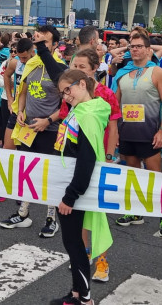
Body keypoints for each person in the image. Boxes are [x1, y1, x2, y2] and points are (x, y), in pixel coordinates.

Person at [50, 69, 113, 305]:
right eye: (62, 93)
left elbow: (87, 159)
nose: (65, 96)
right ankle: (76, 293)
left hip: (73, 189)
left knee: (75, 244)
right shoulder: (81, 110)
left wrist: (70, 196)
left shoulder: (87, 115)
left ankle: (84, 298)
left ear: (83, 84)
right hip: (67, 184)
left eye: (69, 90)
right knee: (72, 241)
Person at [3, 26, 67, 236]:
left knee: (48, 175)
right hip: (28, 127)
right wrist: (20, 111)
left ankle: (51, 218)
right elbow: (24, 91)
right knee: (27, 172)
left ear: (55, 45)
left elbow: (68, 104)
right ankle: (23, 214)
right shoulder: (30, 64)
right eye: (38, 42)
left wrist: (48, 121)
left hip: (51, 129)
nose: (41, 47)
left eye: (46, 43)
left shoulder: (60, 68)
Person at [113, 32, 162, 228]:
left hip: (149, 132)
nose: (135, 49)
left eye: (139, 46)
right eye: (132, 46)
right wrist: (114, 133)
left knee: (154, 177)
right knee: (133, 176)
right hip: (127, 133)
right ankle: (135, 213)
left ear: (148, 50)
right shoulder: (123, 73)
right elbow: (116, 104)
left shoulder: (157, 72)